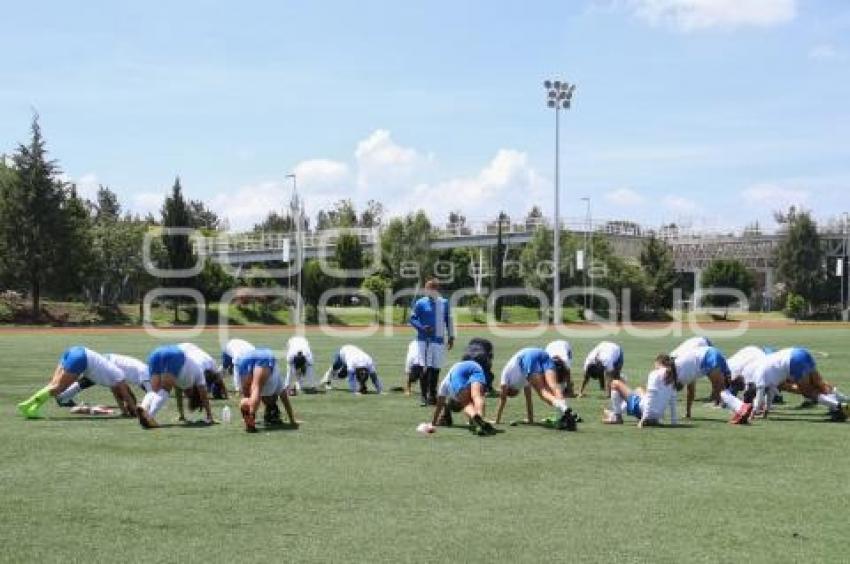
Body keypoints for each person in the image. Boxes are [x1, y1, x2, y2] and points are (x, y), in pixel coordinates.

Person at [17, 346, 138, 419]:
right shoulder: (120, 378)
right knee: (58, 388)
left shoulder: (114, 382)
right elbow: (126, 396)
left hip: (75, 351)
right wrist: (136, 412)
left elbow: (119, 396)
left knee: (53, 385)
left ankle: (32, 409)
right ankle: (27, 405)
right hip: (82, 359)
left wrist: (124, 411)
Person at [749, 347, 849, 422]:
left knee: (808, 392)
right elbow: (770, 390)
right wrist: (767, 409)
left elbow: (760, 394)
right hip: (800, 352)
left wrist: (753, 413)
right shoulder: (764, 364)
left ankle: (840, 407)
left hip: (794, 361)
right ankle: (845, 399)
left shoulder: (758, 375)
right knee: (819, 384)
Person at [493, 347, 578, 430]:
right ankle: (564, 414)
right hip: (542, 353)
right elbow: (528, 401)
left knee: (542, 391)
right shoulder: (523, 382)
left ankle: (564, 409)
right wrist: (530, 420)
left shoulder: (506, 379)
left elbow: (503, 399)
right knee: (554, 386)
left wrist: (497, 421)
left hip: (527, 357)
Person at [136, 345, 214, 429]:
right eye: (189, 396)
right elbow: (204, 395)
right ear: (195, 392)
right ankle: (150, 416)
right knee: (165, 389)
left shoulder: (184, 378)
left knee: (155, 391)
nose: (186, 395)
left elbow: (178, 395)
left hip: (156, 352)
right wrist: (209, 416)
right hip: (175, 355)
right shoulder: (199, 376)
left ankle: (143, 407)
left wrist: (181, 415)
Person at [409, 279, 455, 406]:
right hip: (424, 341)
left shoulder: (444, 303)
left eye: (431, 289)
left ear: (436, 289)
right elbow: (412, 319)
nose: (428, 291)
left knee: (436, 368)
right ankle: (423, 395)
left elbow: (448, 320)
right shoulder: (420, 303)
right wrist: (422, 328)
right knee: (425, 367)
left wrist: (451, 336)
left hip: (439, 341)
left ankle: (432, 395)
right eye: (427, 289)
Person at [603, 354, 679, 427]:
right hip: (657, 415)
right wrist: (674, 421)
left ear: (658, 362)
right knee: (639, 390)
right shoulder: (672, 376)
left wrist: (644, 419)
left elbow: (651, 397)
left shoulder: (655, 374)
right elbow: (672, 401)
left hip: (644, 411)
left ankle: (616, 417)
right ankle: (614, 413)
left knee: (615, 383)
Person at [53, 352, 151, 408]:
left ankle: (64, 397)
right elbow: (152, 394)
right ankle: (63, 397)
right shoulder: (146, 374)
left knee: (88, 381)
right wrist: (137, 406)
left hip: (109, 359)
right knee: (88, 381)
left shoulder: (145, 371)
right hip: (109, 361)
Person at [236, 348, 298, 433]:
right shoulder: (273, 387)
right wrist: (292, 420)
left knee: (248, 395)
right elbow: (285, 400)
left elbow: (285, 399)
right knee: (256, 387)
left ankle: (249, 416)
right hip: (264, 356)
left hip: (246, 357)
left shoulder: (274, 386)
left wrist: (292, 420)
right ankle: (250, 416)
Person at [428, 360, 496, 436]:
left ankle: (478, 420)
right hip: (474, 366)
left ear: (456, 402)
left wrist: (433, 423)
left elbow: (439, 406)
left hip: (458, 373)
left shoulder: (451, 390)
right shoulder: (445, 386)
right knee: (477, 396)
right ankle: (480, 418)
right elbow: (439, 406)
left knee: (466, 404)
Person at [673, 345, 730, 419]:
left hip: (708, 356)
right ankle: (729, 405)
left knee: (719, 388)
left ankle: (734, 408)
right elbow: (691, 393)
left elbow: (691, 393)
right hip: (712, 352)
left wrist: (688, 412)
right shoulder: (683, 371)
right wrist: (688, 412)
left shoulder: (685, 376)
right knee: (722, 386)